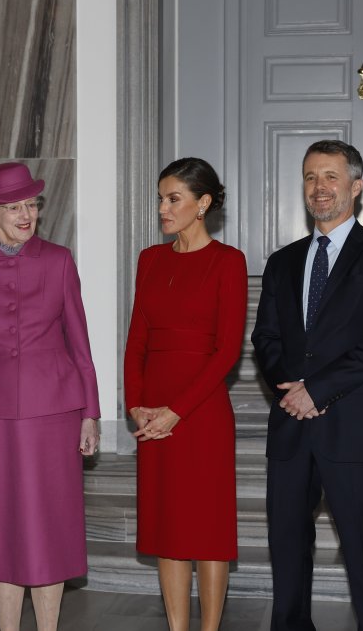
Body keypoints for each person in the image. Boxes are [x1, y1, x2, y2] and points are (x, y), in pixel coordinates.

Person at [252, 140, 363, 631]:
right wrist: (290, 390)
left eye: (330, 177)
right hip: (291, 429)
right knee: (287, 548)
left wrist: (315, 391)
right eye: (309, 177)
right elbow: (266, 337)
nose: (319, 188)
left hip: (354, 429)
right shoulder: (282, 261)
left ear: (355, 187)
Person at [0, 162, 101, 631]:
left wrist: (90, 413)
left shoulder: (58, 260)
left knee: (50, 529)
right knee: (1, 530)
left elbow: (80, 344)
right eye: (13, 206)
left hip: (54, 413)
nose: (25, 214)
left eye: (30, 203)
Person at [123, 157, 247, 631]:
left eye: (174, 198)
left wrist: (175, 411)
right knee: (168, 528)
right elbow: (136, 340)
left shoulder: (228, 261)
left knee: (207, 531)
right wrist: (136, 404)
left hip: (201, 411)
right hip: (152, 412)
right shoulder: (150, 260)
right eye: (161, 198)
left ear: (203, 204)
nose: (163, 208)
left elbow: (227, 351)